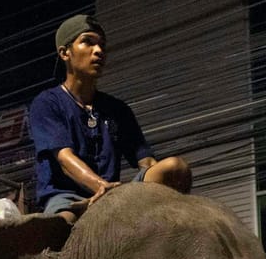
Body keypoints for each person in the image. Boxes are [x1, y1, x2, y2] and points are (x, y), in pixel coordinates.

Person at [28, 14, 192, 223]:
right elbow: (64, 160)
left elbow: (147, 161)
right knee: (62, 223)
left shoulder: (118, 109)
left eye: (102, 45)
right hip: (68, 197)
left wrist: (157, 189)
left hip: (115, 194)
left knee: (175, 168)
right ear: (65, 52)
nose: (98, 51)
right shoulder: (47, 103)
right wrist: (100, 186)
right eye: (87, 42)